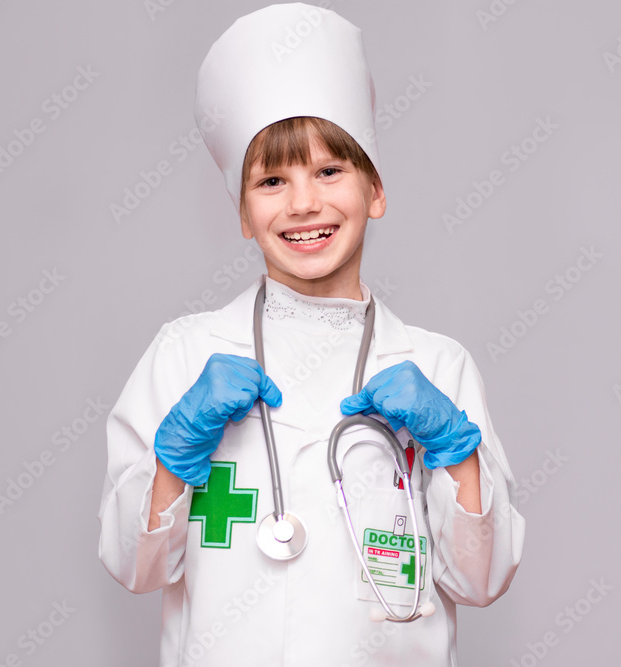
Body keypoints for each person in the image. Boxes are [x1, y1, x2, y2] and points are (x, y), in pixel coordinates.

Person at [97, 4, 525, 665]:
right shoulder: (186, 354)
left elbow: (481, 579)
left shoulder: (438, 366)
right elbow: (135, 567)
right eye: (272, 181)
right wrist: (173, 458)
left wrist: (456, 452)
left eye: (329, 171)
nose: (303, 204)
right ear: (244, 214)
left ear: (374, 190)